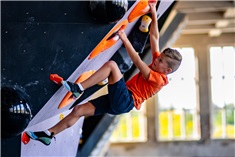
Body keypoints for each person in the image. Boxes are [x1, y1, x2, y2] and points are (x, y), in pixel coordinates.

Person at [26, 1, 182, 146]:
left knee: (112, 66)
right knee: (78, 110)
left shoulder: (159, 80)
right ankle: (49, 134)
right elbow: (154, 36)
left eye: (161, 61)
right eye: (159, 57)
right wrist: (154, 13)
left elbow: (138, 62)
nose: (157, 60)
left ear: (167, 71)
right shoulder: (158, 63)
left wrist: (124, 39)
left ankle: (78, 88)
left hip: (126, 99)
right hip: (121, 102)